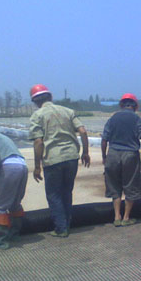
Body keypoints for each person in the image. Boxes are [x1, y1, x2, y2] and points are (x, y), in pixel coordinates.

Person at [28, 84, 90, 238]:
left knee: (54, 194)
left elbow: (38, 142)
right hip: (71, 157)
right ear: (50, 97)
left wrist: (37, 166)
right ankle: (66, 224)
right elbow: (83, 131)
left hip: (53, 159)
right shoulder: (68, 111)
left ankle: (61, 229)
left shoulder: (37, 116)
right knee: (67, 192)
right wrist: (85, 152)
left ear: (35, 101)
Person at [101, 93, 141, 227]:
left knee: (114, 185)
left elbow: (104, 139)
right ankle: (126, 217)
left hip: (113, 154)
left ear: (121, 105)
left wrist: (104, 157)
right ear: (135, 106)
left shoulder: (112, 119)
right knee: (131, 184)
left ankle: (117, 216)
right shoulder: (138, 119)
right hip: (130, 155)